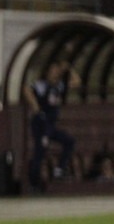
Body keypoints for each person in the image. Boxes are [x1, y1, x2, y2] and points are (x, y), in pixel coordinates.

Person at [24, 59, 81, 190]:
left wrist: (69, 69)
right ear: (47, 72)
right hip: (41, 125)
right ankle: (34, 183)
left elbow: (77, 82)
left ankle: (59, 169)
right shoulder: (42, 85)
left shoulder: (59, 86)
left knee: (69, 141)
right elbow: (26, 90)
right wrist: (36, 107)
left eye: (57, 71)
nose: (55, 74)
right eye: (52, 71)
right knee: (40, 151)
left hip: (50, 126)